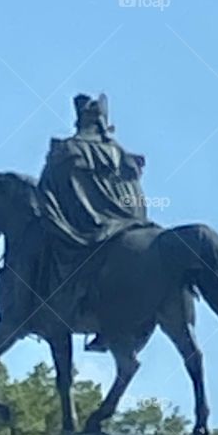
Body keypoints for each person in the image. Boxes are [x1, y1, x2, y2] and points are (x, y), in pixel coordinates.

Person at [36, 93, 149, 343]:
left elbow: (45, 193)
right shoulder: (121, 154)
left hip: (86, 225)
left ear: (79, 120)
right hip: (131, 221)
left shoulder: (66, 149)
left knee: (50, 252)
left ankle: (62, 308)